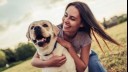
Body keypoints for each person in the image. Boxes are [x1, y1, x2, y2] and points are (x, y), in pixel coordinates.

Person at [31, 1, 121, 72]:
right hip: (69, 60)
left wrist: (69, 46)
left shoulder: (84, 37)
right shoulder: (54, 32)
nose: (66, 20)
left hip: (86, 56)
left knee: (94, 66)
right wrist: (49, 62)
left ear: (81, 23)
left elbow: (81, 68)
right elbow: (34, 61)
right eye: (66, 15)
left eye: (72, 18)